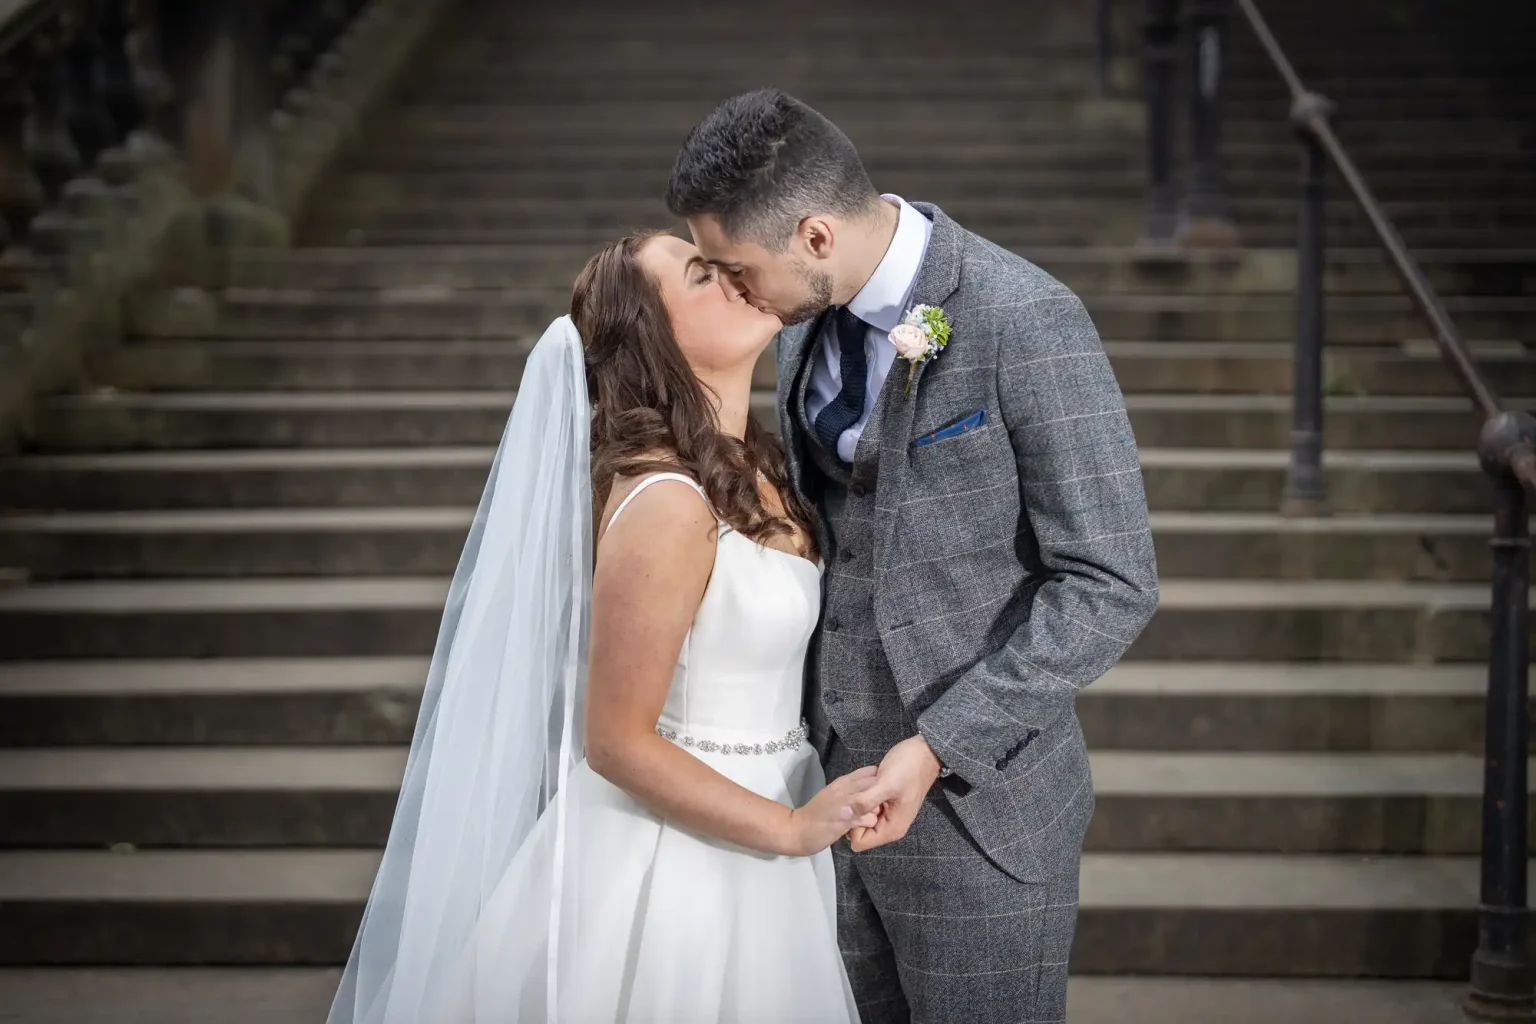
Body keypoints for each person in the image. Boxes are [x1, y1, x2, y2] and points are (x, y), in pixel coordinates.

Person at [666, 89, 1160, 1023]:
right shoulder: (799, 321)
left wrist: (939, 746)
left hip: (980, 815)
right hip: (820, 793)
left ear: (814, 236)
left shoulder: (1026, 318)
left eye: (736, 270)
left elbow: (1111, 581)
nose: (730, 291)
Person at [326, 231, 878, 1022]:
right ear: (655, 338)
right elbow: (616, 741)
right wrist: (789, 829)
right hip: (676, 858)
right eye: (703, 276)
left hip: (763, 824)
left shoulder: (761, 466)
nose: (735, 276)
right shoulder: (667, 502)